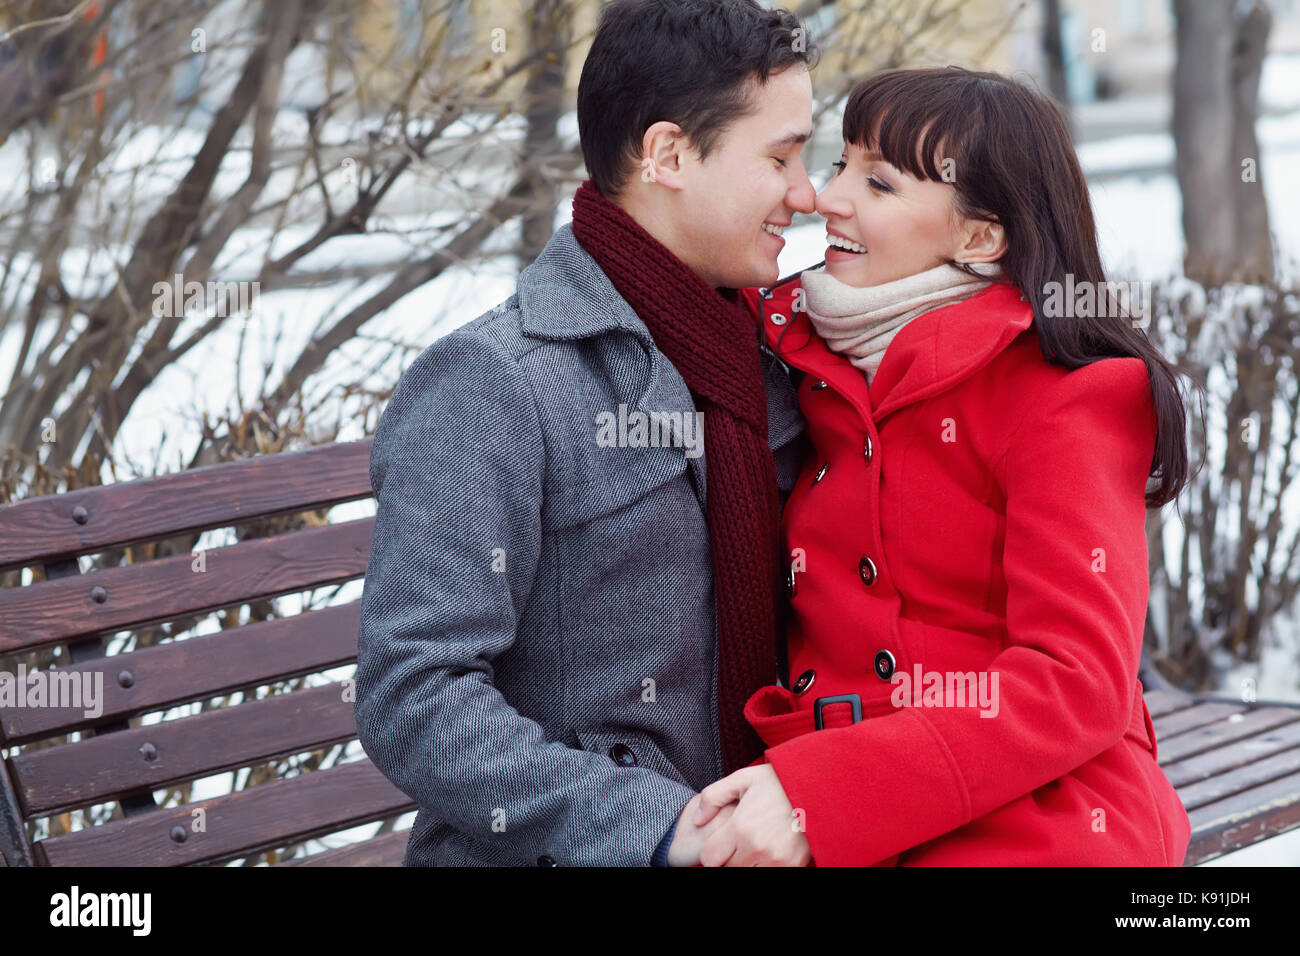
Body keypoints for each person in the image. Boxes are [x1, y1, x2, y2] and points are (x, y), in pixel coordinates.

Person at [353, 0, 818, 866]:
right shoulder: (496, 383)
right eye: (781, 157)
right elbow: (414, 695)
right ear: (669, 155)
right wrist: (661, 832)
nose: (808, 192)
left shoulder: (776, 360)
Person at [692, 66, 1195, 866]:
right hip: (824, 809)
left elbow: (1077, 682)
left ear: (979, 236)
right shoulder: (799, 350)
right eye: (841, 164)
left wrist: (822, 794)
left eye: (881, 184)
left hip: (1036, 822)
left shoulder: (1065, 396)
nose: (830, 198)